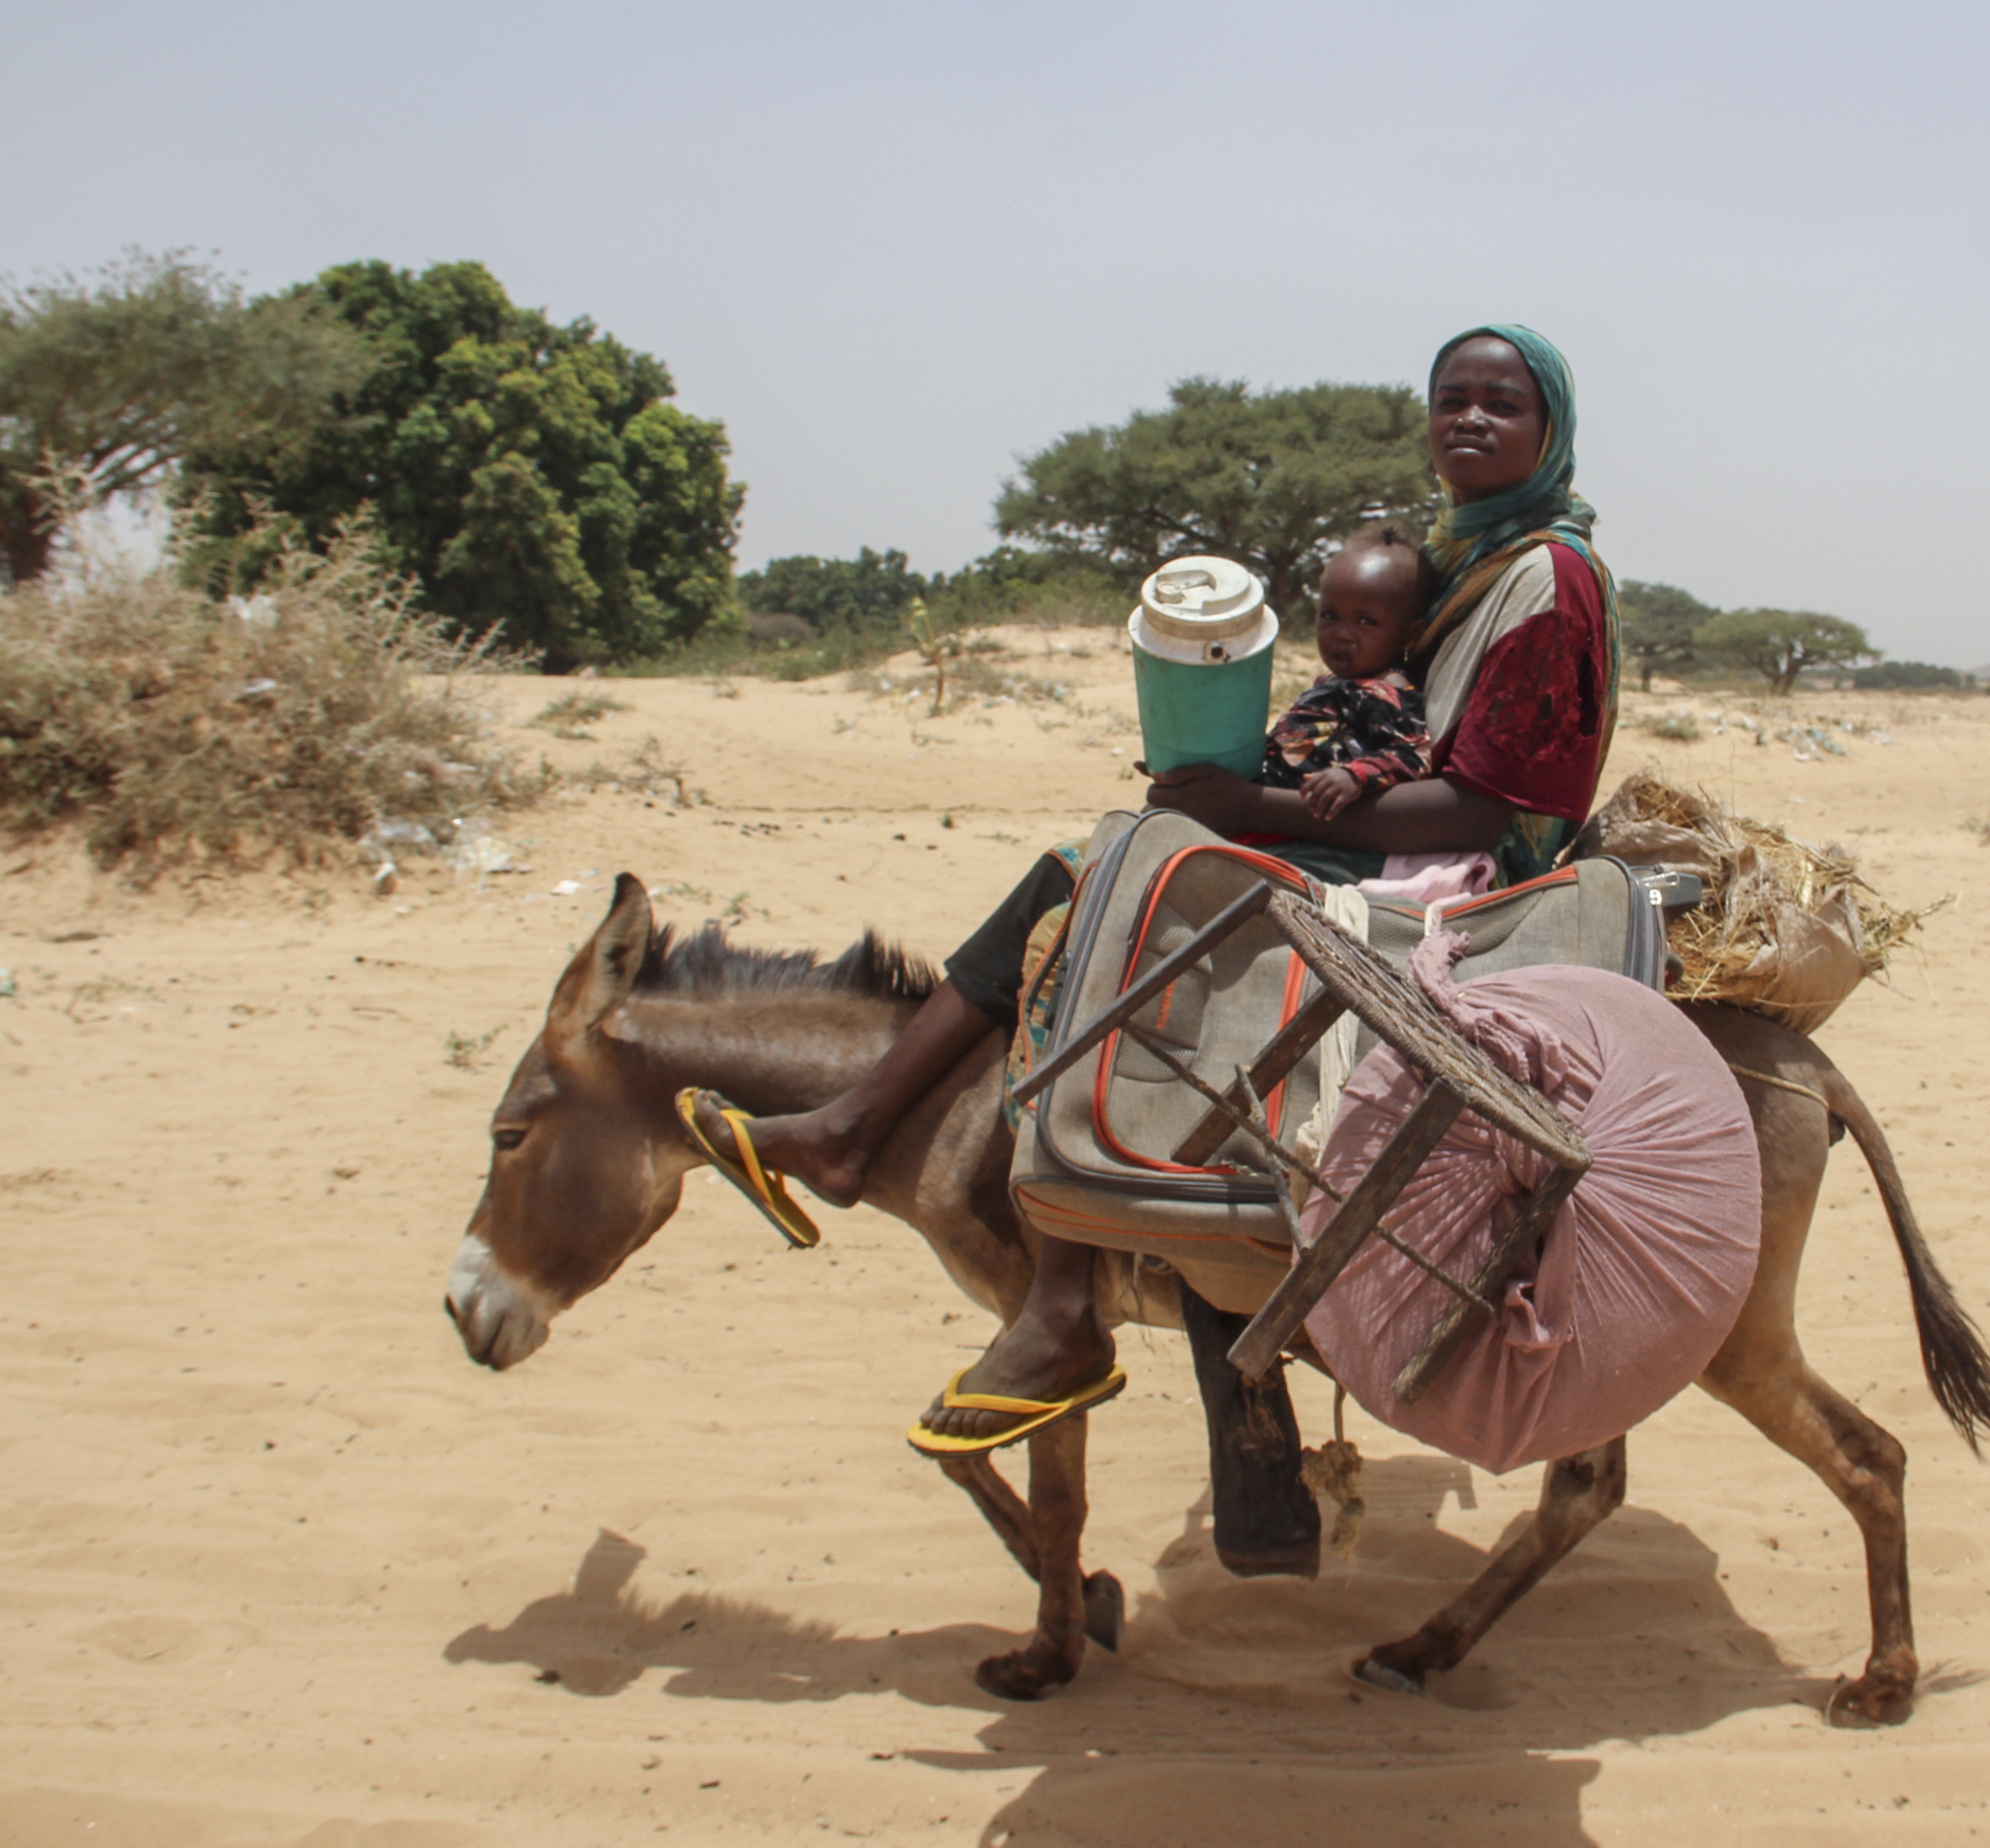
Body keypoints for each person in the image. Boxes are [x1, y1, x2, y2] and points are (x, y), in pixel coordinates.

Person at [679, 323, 1619, 1451]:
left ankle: (1031, 1271)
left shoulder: (1546, 578)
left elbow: (1487, 804)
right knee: (1101, 863)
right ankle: (880, 1146)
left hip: (1466, 869)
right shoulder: (1465, 554)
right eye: (1449, 397)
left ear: (1548, 428)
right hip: (1385, 826)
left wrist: (1252, 807)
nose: (1467, 417)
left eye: (1499, 403)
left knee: (1121, 885)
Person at [1249, 521, 1436, 826]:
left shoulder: (1386, 690)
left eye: (1366, 621)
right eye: (1330, 616)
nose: (1343, 634)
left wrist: (1354, 776)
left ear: (1411, 635)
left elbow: (1415, 754)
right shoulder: (1333, 684)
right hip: (1264, 804)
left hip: (1299, 823)